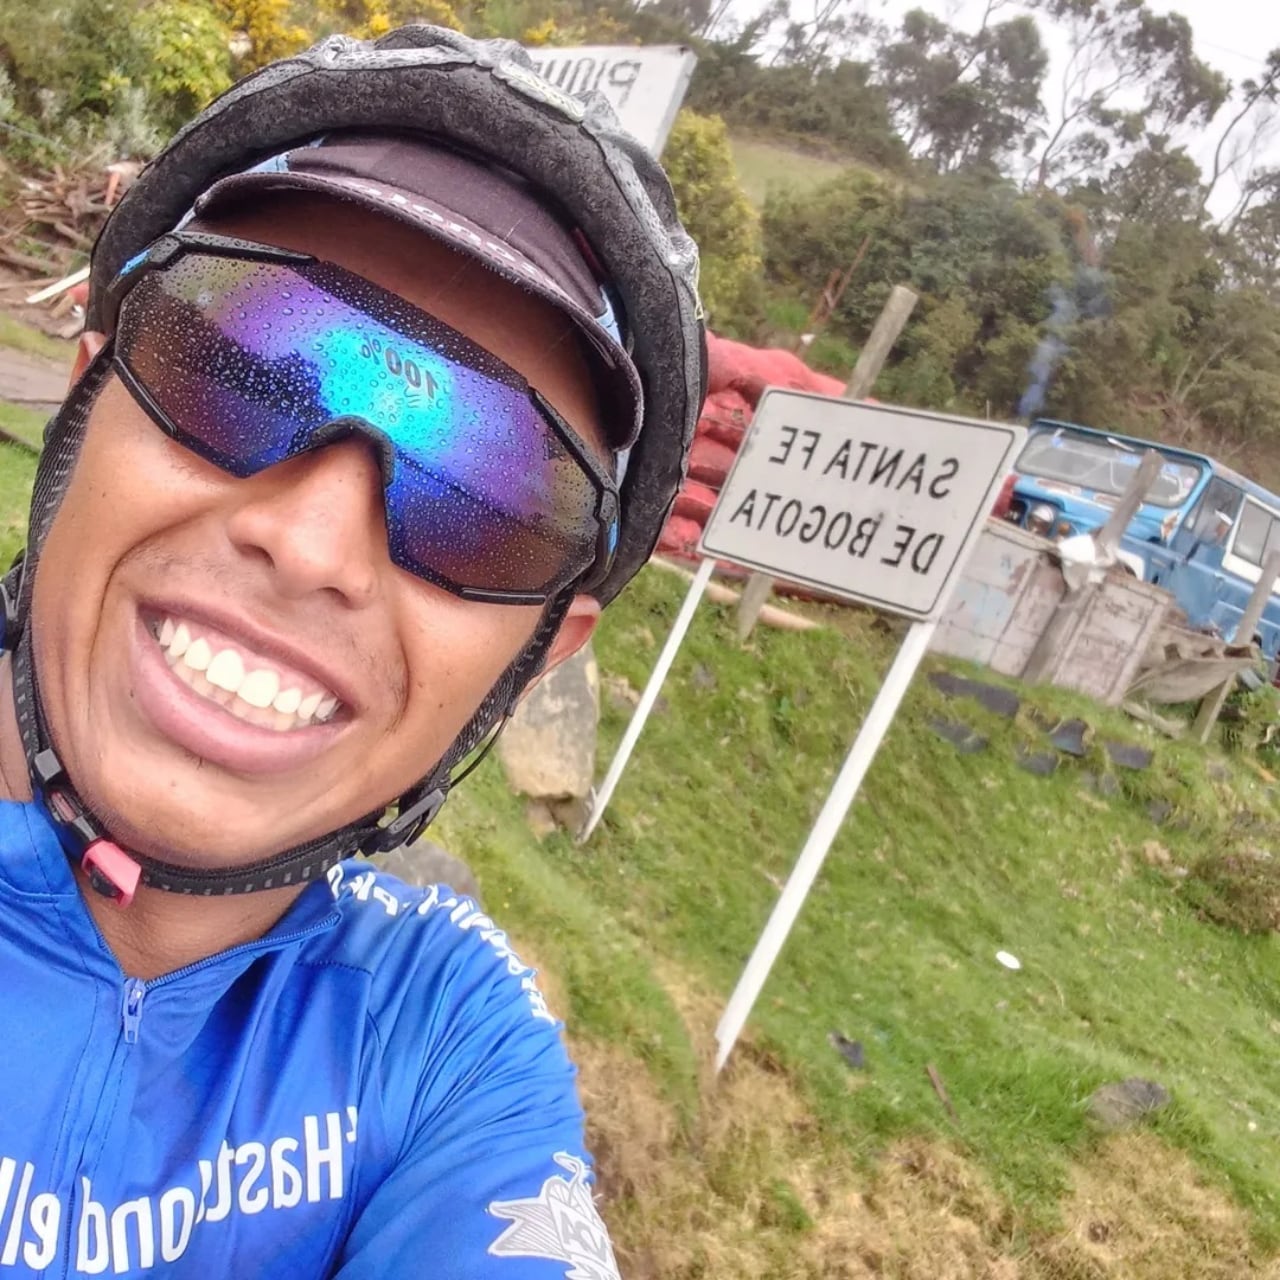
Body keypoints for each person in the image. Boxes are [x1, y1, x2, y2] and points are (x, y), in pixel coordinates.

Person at [0, 23, 704, 1278]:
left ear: (536, 656)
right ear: (83, 398)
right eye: (238, 369)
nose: (312, 542)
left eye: (482, 495)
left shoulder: (443, 1044)